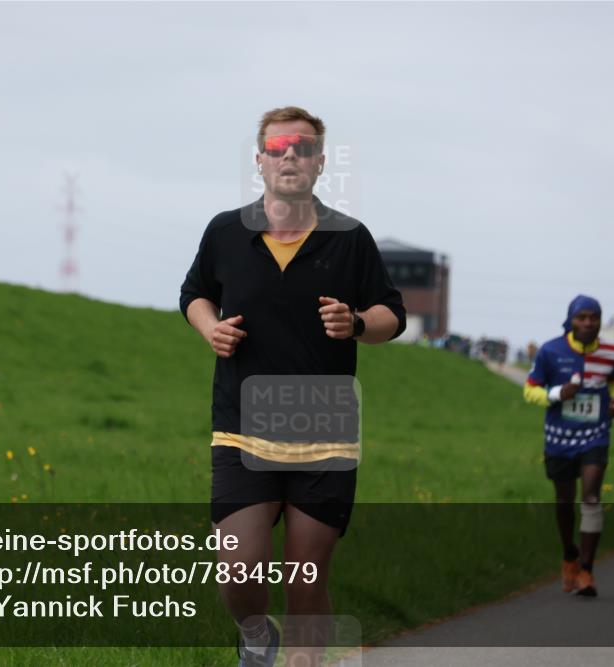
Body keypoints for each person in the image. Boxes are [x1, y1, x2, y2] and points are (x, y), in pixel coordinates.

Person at [180, 106, 407, 665]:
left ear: (319, 163)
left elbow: (392, 315)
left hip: (324, 434)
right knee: (238, 569)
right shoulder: (226, 231)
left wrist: (355, 323)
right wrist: (211, 329)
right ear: (259, 160)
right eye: (278, 146)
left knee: (306, 581)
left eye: (302, 148)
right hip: (242, 430)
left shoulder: (349, 239)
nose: (289, 156)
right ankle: (257, 637)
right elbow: (194, 294)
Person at [524, 295, 614, 597]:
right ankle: (569, 555)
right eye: (582, 317)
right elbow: (530, 392)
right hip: (559, 438)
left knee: (591, 496)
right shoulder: (551, 351)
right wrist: (557, 394)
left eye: (594, 317)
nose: (588, 323)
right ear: (571, 319)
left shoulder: (610, 352)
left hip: (596, 435)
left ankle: (587, 570)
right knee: (564, 501)